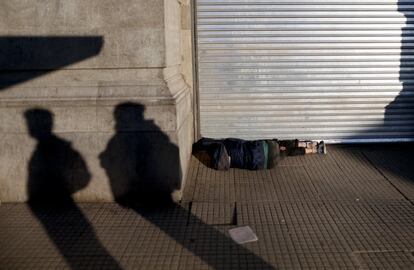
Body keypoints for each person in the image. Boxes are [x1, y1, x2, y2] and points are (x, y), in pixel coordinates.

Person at [193, 138, 326, 171]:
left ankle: (314, 149)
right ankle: (312, 147)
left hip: (268, 164)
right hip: (264, 150)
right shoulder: (226, 145)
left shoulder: (228, 164)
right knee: (284, 146)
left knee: (286, 151)